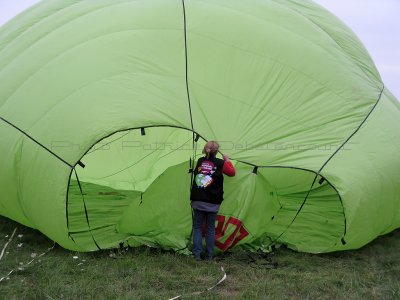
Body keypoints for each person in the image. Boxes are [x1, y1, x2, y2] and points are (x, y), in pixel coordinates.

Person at [190, 141, 236, 260]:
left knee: (198, 228)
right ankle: (210, 254)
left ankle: (197, 254)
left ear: (206, 149)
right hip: (212, 201)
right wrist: (227, 160)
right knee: (210, 228)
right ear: (217, 151)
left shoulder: (200, 161)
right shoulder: (221, 163)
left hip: (198, 199)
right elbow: (232, 173)